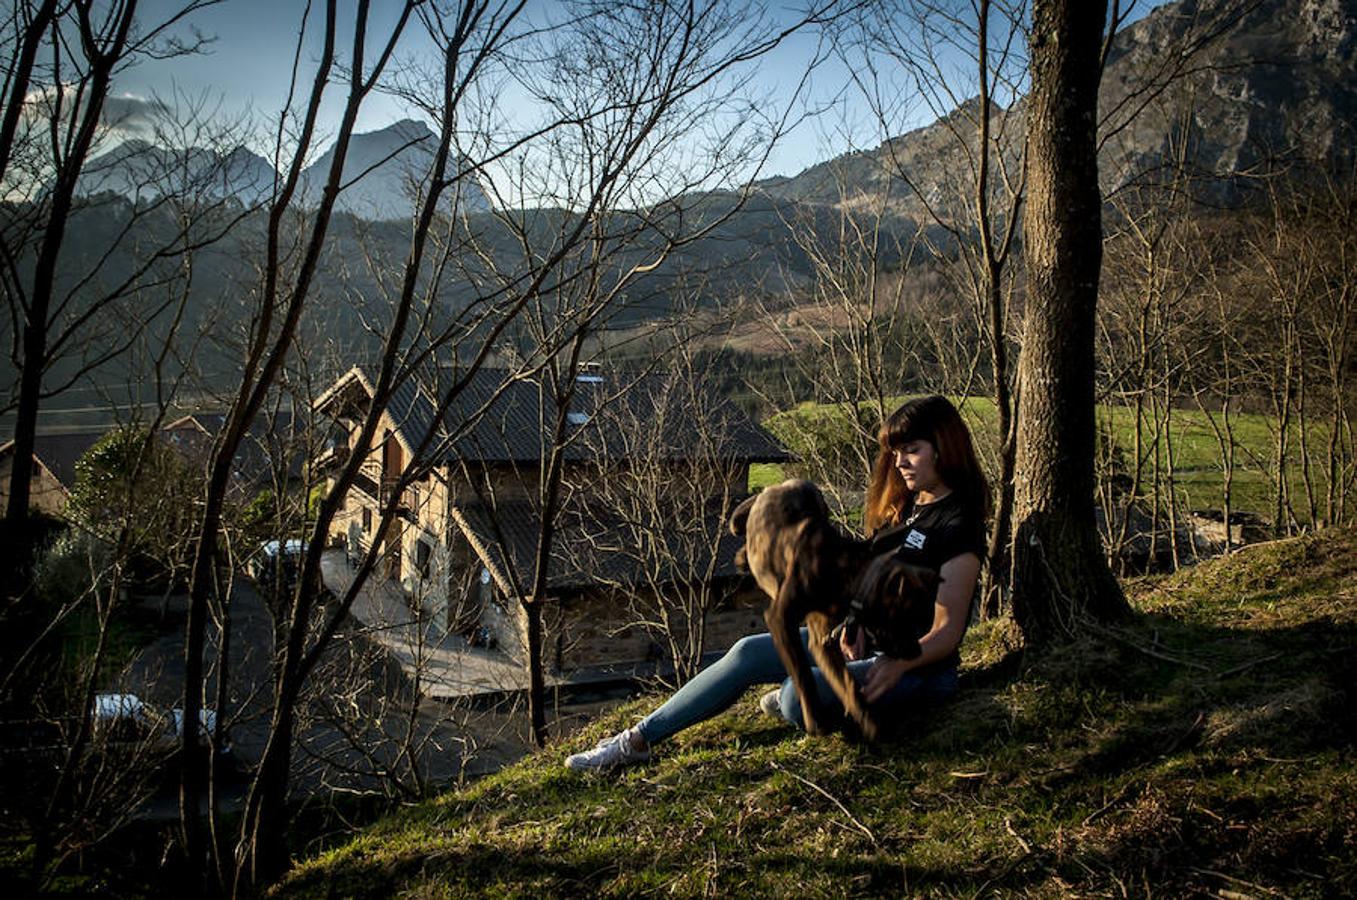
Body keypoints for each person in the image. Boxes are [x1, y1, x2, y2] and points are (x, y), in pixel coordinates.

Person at [565, 395, 989, 771]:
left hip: (917, 672)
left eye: (912, 451)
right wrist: (851, 626)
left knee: (792, 698)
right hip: (871, 645)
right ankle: (636, 740)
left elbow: (948, 631)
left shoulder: (959, 525)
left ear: (944, 448)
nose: (899, 463)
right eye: (896, 452)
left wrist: (897, 663)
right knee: (747, 651)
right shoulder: (907, 507)